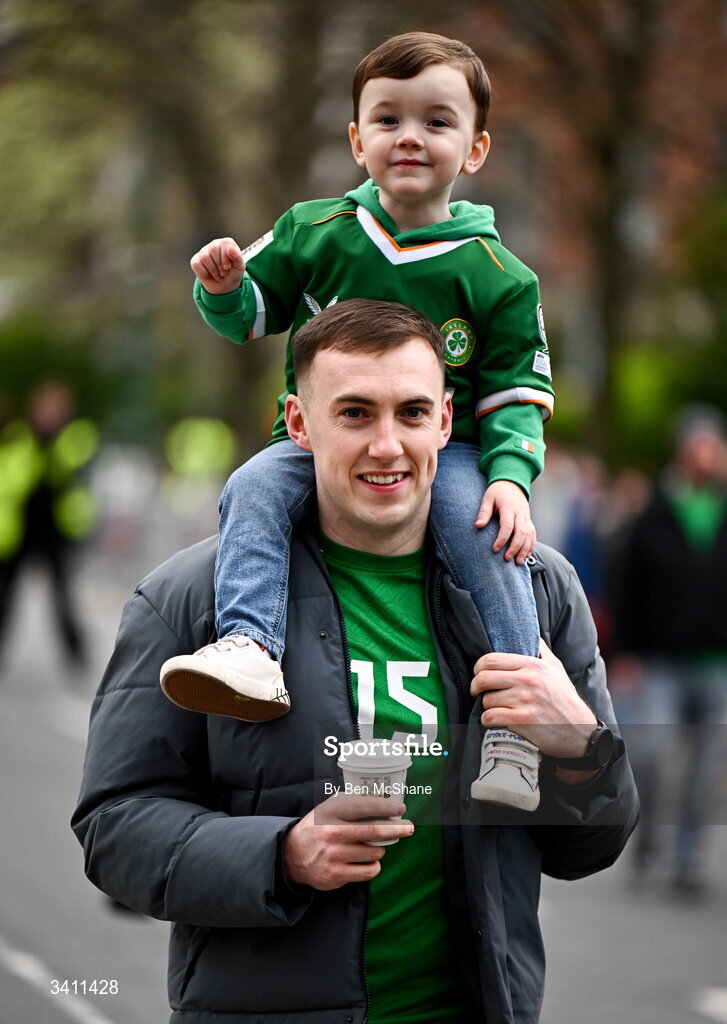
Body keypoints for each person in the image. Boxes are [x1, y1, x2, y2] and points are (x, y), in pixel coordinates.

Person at [73, 300, 638, 1024]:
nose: (386, 444)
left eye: (409, 412)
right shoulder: (190, 600)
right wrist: (282, 854)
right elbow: (115, 828)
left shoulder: (534, 591)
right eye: (353, 414)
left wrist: (581, 748)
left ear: (444, 422)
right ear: (300, 424)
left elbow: (591, 844)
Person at [161, 31, 556, 812]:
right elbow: (248, 317)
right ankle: (248, 647)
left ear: (474, 148)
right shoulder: (314, 228)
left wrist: (511, 479)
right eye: (388, 119)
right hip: (311, 448)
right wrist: (221, 286)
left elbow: (515, 391)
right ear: (355, 138)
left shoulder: (498, 275)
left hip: (452, 455)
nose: (409, 136)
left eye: (436, 122)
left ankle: (515, 735)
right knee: (252, 488)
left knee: (491, 540)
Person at [611, 404, 727, 896]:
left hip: (715, 662)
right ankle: (648, 837)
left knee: (706, 769)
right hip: (658, 660)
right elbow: (626, 586)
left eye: (714, 445)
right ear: (684, 450)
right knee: (652, 756)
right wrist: (625, 652)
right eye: (700, 444)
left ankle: (687, 860)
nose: (708, 455)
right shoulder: (652, 515)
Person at [0, 381, 98, 668]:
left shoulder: (75, 436)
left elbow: (69, 470)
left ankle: (76, 655)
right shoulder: (19, 436)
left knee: (62, 595)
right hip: (21, 527)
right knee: (6, 593)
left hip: (57, 529)